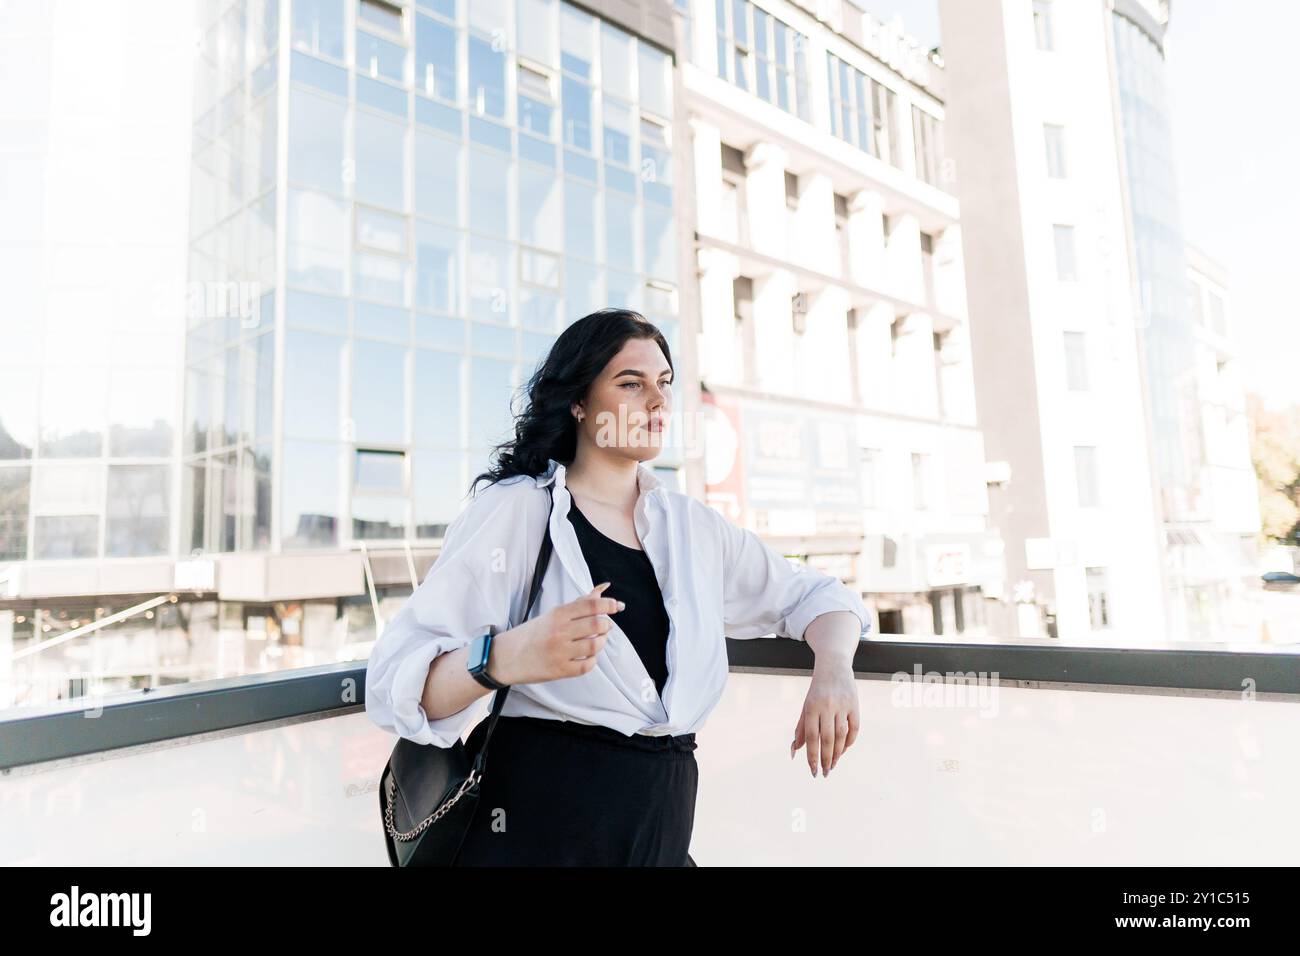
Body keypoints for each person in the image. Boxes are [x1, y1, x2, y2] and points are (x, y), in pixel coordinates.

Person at [365, 308, 871, 866]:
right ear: (579, 402)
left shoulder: (693, 529)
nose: (657, 401)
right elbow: (397, 685)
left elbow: (820, 597)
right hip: (533, 837)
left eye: (664, 384)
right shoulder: (519, 511)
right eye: (631, 384)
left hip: (659, 829)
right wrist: (507, 657)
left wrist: (833, 671)